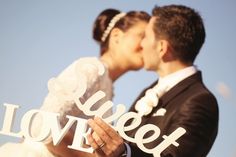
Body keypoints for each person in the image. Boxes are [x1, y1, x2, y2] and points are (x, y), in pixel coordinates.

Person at [0, 9, 150, 157]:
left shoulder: (108, 86)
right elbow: (43, 126)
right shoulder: (90, 68)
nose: (147, 44)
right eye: (142, 36)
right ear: (116, 36)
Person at [87, 4, 219, 157]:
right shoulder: (148, 91)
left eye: (146, 37)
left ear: (162, 48)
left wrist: (124, 154)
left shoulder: (200, 101)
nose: (141, 44)